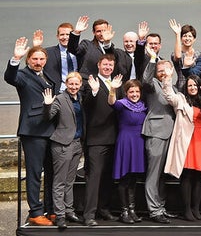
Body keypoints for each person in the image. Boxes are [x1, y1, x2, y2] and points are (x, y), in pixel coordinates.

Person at [7, 37, 56, 226]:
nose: (38, 62)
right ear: (28, 60)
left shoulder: (46, 75)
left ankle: (51, 209)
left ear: (45, 60)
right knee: (35, 174)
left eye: (41, 59)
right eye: (34, 59)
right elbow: (10, 78)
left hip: (51, 129)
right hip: (33, 132)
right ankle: (36, 212)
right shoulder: (23, 75)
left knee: (51, 173)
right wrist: (15, 59)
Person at [164, 74, 201, 221]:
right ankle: (186, 210)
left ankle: (196, 209)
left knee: (198, 177)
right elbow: (169, 95)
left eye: (194, 85)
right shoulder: (181, 99)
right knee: (187, 176)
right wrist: (167, 79)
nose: (192, 88)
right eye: (189, 85)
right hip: (187, 140)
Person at [81, 53, 120, 226]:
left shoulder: (117, 84)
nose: (108, 68)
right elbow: (86, 105)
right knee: (94, 177)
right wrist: (95, 91)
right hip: (96, 138)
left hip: (115, 137)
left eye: (110, 65)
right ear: (99, 65)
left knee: (107, 177)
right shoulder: (92, 83)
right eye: (105, 65)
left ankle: (104, 209)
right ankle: (89, 214)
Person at [42, 71, 85, 229]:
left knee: (70, 181)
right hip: (62, 144)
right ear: (66, 84)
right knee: (59, 182)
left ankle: (69, 211)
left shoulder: (80, 98)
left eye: (76, 84)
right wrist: (47, 105)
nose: (73, 87)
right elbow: (48, 117)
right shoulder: (60, 99)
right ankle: (59, 214)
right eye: (71, 84)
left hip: (76, 144)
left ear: (80, 85)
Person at [140, 56, 177, 223]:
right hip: (155, 133)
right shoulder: (152, 85)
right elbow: (146, 79)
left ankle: (161, 207)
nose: (163, 73)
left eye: (166, 70)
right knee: (153, 174)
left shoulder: (174, 88)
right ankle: (154, 211)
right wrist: (153, 59)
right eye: (160, 70)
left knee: (162, 175)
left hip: (171, 134)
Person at [108, 78, 147, 224]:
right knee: (124, 178)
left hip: (139, 143)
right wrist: (112, 89)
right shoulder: (122, 104)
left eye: (137, 91)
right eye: (131, 91)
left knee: (133, 179)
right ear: (126, 92)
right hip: (125, 142)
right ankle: (124, 212)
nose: (135, 94)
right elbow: (111, 102)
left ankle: (132, 210)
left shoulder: (143, 106)